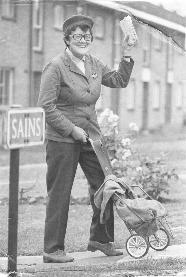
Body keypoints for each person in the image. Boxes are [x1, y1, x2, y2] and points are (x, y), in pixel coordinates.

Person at [38, 14, 134, 263]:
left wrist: (126, 53)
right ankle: (52, 249)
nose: (83, 40)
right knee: (60, 192)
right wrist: (71, 130)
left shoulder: (93, 63)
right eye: (78, 36)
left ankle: (101, 239)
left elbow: (119, 80)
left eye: (87, 36)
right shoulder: (56, 66)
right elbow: (47, 107)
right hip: (62, 140)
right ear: (67, 39)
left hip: (91, 136)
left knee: (106, 186)